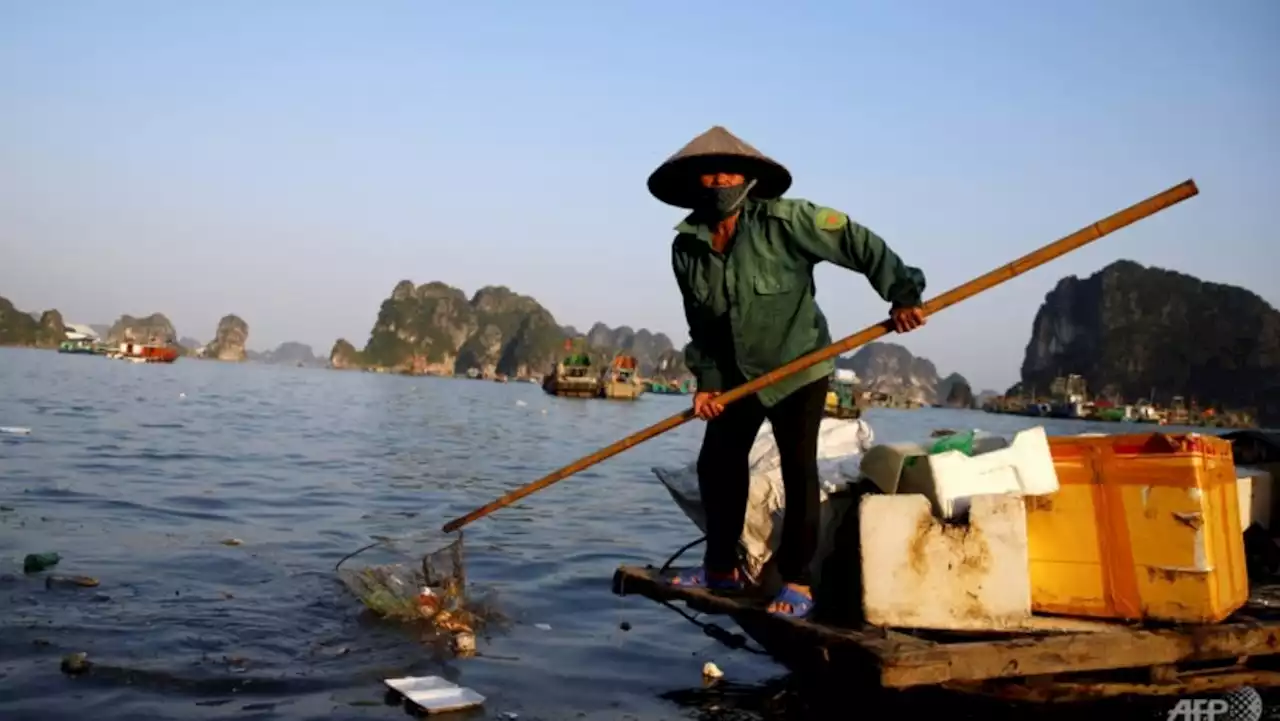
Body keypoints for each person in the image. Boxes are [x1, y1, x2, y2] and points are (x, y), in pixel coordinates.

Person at [648, 126, 927, 618]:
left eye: (729, 172)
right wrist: (708, 383)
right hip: (737, 376)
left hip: (798, 366)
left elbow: (857, 243)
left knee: (800, 470)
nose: (719, 181)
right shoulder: (686, 247)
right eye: (709, 174)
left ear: (749, 179)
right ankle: (720, 569)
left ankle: (798, 580)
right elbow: (701, 322)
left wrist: (902, 293)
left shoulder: (786, 221)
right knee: (717, 464)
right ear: (694, 184)